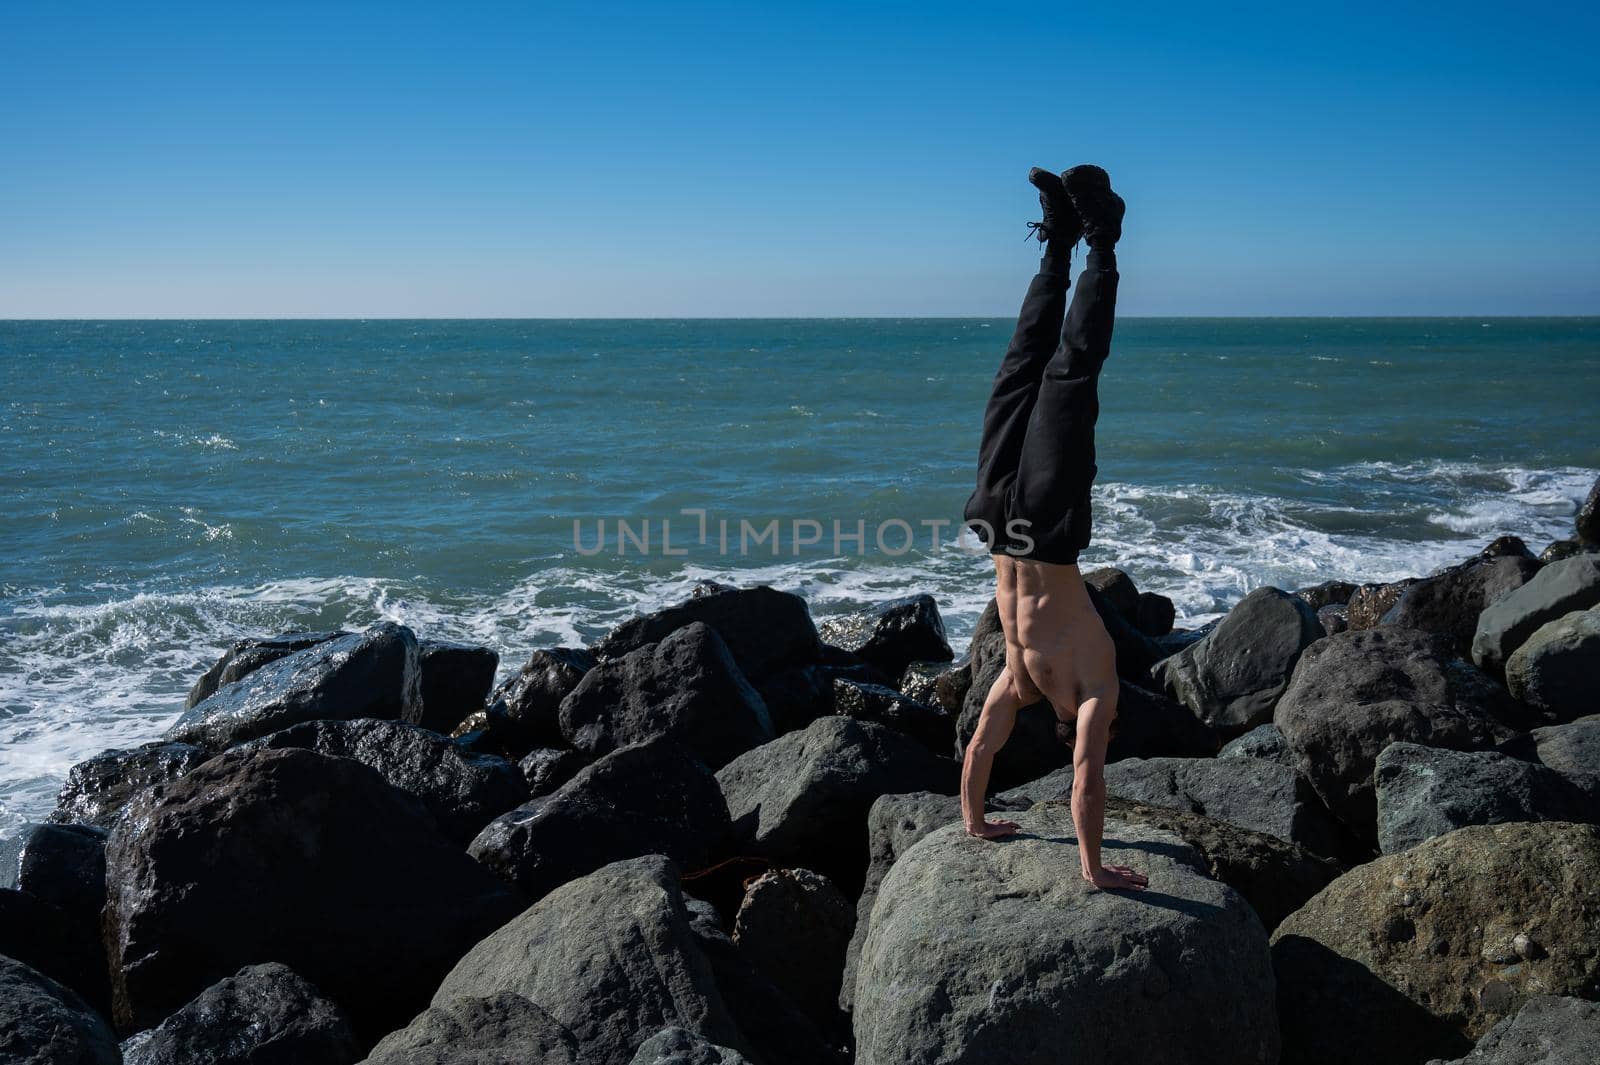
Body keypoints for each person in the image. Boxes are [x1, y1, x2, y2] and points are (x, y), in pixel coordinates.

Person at [958, 164, 1148, 892]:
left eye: (1087, 733)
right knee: (1069, 374)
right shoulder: (1093, 683)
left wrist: (975, 821)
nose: (1090, 733)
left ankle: (1057, 243)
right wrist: (1093, 868)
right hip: (1038, 521)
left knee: (1019, 368)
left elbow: (984, 744)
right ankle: (1100, 237)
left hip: (1000, 519)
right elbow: (1085, 784)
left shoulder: (1021, 678)